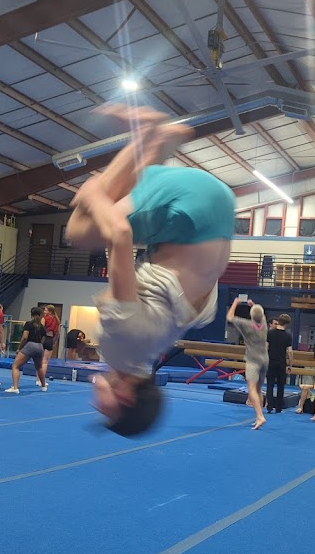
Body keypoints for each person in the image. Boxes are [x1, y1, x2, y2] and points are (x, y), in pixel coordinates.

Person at [65, 103, 235, 436]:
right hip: (193, 211)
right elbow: (120, 234)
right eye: (106, 411)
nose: (95, 406)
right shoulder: (120, 347)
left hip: (219, 216)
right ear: (126, 398)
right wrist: (92, 195)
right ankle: (147, 135)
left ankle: (157, 144)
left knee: (120, 202)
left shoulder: (150, 352)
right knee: (79, 227)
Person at [227, 297, 269, 429]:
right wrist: (253, 305)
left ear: (251, 316)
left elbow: (230, 317)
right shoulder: (264, 324)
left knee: (251, 389)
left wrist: (235, 303)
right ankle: (259, 416)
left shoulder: (247, 325)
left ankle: (260, 416)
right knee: (258, 389)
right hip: (264, 360)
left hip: (253, 360)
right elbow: (260, 314)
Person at [6, 307, 47, 393]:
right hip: (39, 346)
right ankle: (43, 386)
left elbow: (25, 337)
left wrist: (19, 348)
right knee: (39, 367)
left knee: (15, 366)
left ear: (31, 314)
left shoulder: (29, 324)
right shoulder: (43, 327)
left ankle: (15, 388)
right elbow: (43, 340)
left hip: (30, 345)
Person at [266, 313, 293, 413]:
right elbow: (289, 351)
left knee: (270, 385)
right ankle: (278, 407)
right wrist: (290, 364)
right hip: (281, 362)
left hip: (271, 361)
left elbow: (266, 347)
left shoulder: (270, 333)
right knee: (281, 386)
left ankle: (269, 406)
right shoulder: (288, 335)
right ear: (287, 324)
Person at [40, 304, 60, 377]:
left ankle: (38, 379)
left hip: (43, 339)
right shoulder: (57, 320)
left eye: (45, 310)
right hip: (50, 339)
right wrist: (54, 342)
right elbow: (57, 333)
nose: (44, 311)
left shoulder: (44, 318)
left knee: (40, 361)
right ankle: (42, 379)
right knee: (45, 362)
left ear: (50, 311)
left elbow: (41, 330)